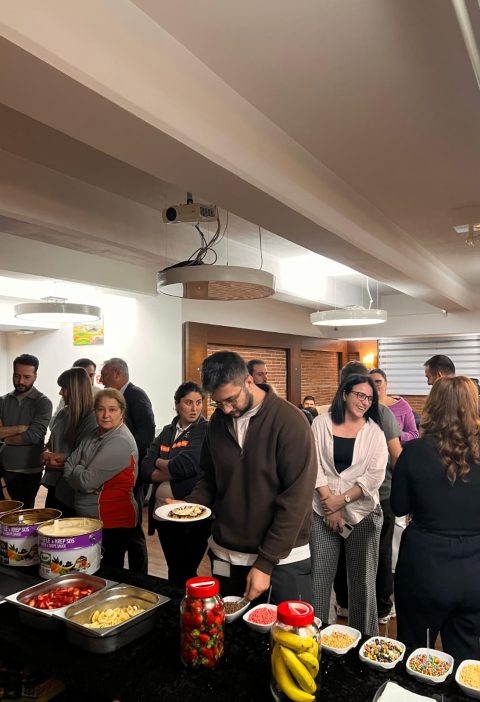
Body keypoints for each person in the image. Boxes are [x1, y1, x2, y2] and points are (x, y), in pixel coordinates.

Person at [180, 351, 317, 604]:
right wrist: (190, 506)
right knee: (229, 627)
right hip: (227, 554)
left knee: (285, 629)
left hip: (282, 560)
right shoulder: (217, 423)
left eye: (231, 399)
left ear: (249, 381)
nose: (226, 408)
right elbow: (210, 477)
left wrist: (266, 562)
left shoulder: (290, 422)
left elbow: (296, 499)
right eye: (218, 403)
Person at [391, 376, 480, 660]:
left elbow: (398, 506)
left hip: (424, 567)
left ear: (433, 406)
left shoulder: (414, 452)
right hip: (474, 570)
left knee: (416, 654)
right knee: (468, 660)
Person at [311, 374, 388, 636]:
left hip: (363, 513)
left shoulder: (375, 432)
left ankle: (363, 643)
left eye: (370, 398)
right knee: (319, 580)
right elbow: (313, 464)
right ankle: (315, 640)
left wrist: (340, 501)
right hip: (322, 512)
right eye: (359, 395)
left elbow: (374, 476)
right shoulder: (320, 423)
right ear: (344, 394)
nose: (364, 401)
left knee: (362, 584)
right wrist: (329, 505)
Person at [333, 361, 401, 624]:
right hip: (379, 495)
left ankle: (345, 603)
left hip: (341, 499)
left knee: (343, 550)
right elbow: (396, 456)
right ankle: (381, 608)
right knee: (379, 553)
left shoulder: (332, 414)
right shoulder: (381, 412)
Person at [143, 382, 209, 587]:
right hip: (163, 514)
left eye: (198, 402)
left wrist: (159, 462)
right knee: (174, 567)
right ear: (177, 405)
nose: (194, 408)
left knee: (186, 570)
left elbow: (185, 466)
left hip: (190, 514)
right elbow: (144, 468)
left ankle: (187, 602)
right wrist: (168, 468)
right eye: (188, 403)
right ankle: (175, 602)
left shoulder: (204, 430)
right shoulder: (167, 431)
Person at [63, 388, 138, 568]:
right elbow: (67, 467)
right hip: (91, 520)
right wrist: (80, 471)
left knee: (107, 575)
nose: (105, 415)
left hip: (112, 523)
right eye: (100, 409)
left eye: (112, 409)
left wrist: (78, 469)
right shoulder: (94, 433)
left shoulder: (120, 441)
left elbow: (86, 482)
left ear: (122, 412)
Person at [100, 358, 155, 574]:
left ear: (117, 374)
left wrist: (127, 457)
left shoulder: (135, 395)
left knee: (133, 527)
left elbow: (147, 432)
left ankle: (139, 576)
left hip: (133, 472)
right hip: (120, 472)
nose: (102, 380)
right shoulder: (122, 395)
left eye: (105, 375)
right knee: (125, 527)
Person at [41, 367, 98, 515]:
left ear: (75, 390)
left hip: (72, 492)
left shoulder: (92, 418)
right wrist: (47, 452)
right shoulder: (63, 413)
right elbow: (51, 442)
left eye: (64, 388)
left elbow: (87, 457)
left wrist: (58, 457)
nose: (60, 393)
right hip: (55, 486)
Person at [0, 354, 52, 508]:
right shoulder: (2, 401)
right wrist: (20, 428)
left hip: (29, 472)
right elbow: (27, 434)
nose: (21, 381)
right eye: (17, 376)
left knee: (24, 517)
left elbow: (33, 436)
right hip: (2, 469)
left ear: (35, 376)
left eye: (27, 377)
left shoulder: (43, 403)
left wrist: (3, 437)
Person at [369, 368, 418, 443]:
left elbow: (414, 434)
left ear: (386, 383)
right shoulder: (365, 406)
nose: (374, 385)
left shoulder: (401, 405)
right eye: (370, 383)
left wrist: (395, 436)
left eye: (378, 382)